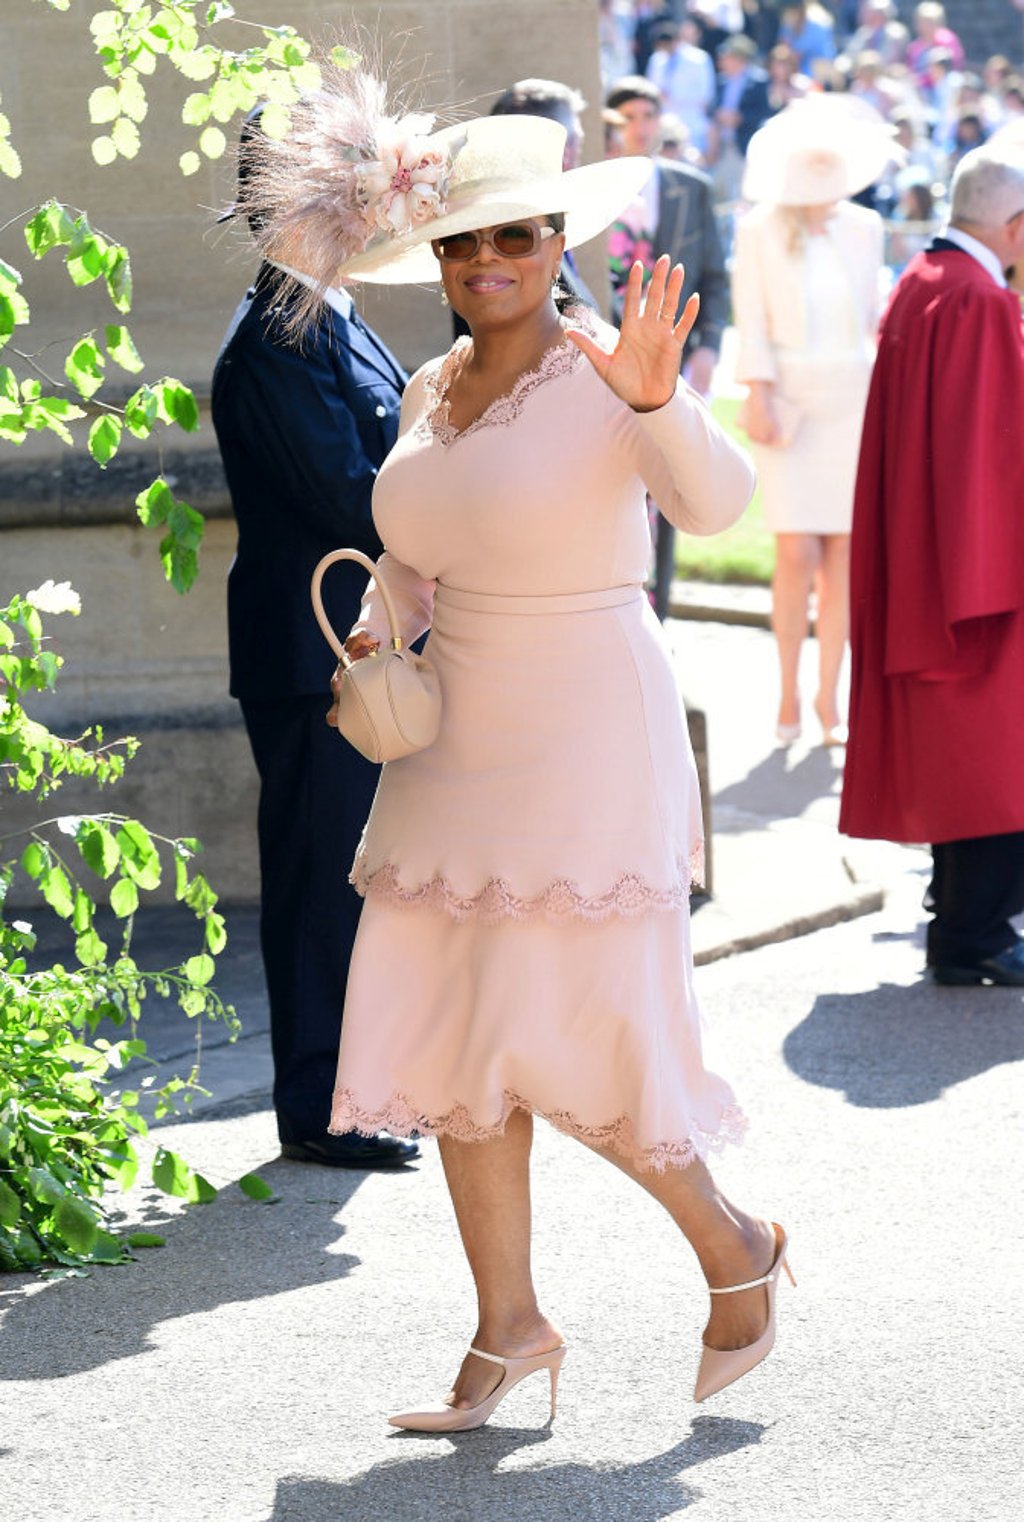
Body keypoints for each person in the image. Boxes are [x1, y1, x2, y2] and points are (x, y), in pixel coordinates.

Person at [242, 80, 792, 1428]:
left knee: (581, 1035)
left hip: (588, 724)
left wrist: (660, 404)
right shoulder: (430, 382)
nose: (487, 266)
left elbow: (722, 501)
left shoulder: (607, 367)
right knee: (460, 1037)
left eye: (517, 240)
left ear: (560, 243)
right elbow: (420, 556)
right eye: (462, 245)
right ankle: (509, 1327)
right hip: (452, 737)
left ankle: (736, 1245)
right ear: (439, 258)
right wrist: (377, 634)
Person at [211, 111, 419, 1169]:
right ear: (297, 202)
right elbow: (354, 492)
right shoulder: (282, 335)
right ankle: (322, 1104)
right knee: (315, 875)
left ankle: (357, 1086)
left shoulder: (329, 316)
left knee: (352, 875)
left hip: (344, 643)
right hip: (313, 651)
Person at [840, 145, 1024, 986]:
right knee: (992, 751)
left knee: (964, 753)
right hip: (976, 563)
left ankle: (960, 916)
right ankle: (973, 935)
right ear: (1015, 225)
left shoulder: (921, 278)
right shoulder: (981, 298)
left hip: (923, 551)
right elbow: (992, 452)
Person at [731, 97, 890, 745]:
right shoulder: (760, 230)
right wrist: (759, 392)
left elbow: (874, 319)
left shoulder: (865, 227)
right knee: (795, 551)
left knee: (845, 557)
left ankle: (831, 698)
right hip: (790, 400)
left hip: (855, 397)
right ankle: (788, 693)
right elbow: (753, 322)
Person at [606, 72, 730, 618]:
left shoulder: (692, 187)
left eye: (648, 117)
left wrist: (706, 351)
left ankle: (662, 614)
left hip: (674, 362)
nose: (639, 128)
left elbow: (715, 277)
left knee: (675, 481)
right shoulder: (594, 188)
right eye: (628, 118)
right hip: (606, 364)